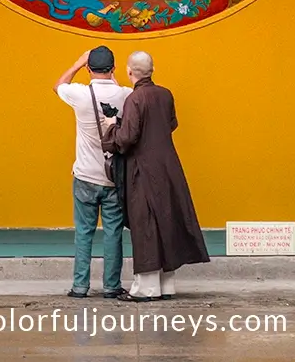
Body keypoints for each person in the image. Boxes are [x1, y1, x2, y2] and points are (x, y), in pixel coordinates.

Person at [112, 49, 210, 301]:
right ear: (152, 70)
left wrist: (111, 131)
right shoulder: (165, 95)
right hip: (168, 166)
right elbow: (171, 124)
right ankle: (166, 284)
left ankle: (146, 288)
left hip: (142, 168)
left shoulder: (135, 99)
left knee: (145, 224)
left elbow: (128, 137)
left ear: (129, 71)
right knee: (166, 220)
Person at [54, 46, 130, 299]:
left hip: (85, 176)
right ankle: (111, 286)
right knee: (113, 233)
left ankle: (79, 286)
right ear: (114, 68)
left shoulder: (80, 94)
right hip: (112, 177)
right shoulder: (126, 95)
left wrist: (76, 63)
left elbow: (58, 85)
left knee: (84, 232)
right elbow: (119, 92)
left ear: (88, 69)